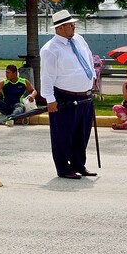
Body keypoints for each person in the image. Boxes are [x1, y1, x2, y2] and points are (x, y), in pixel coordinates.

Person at [40, 10, 97, 179]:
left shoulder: (79, 39)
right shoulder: (51, 49)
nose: (74, 27)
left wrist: (92, 79)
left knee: (82, 132)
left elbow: (88, 59)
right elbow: (47, 76)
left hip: (84, 94)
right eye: (71, 25)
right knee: (63, 134)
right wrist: (50, 99)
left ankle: (79, 163)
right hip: (64, 95)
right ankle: (63, 168)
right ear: (61, 27)